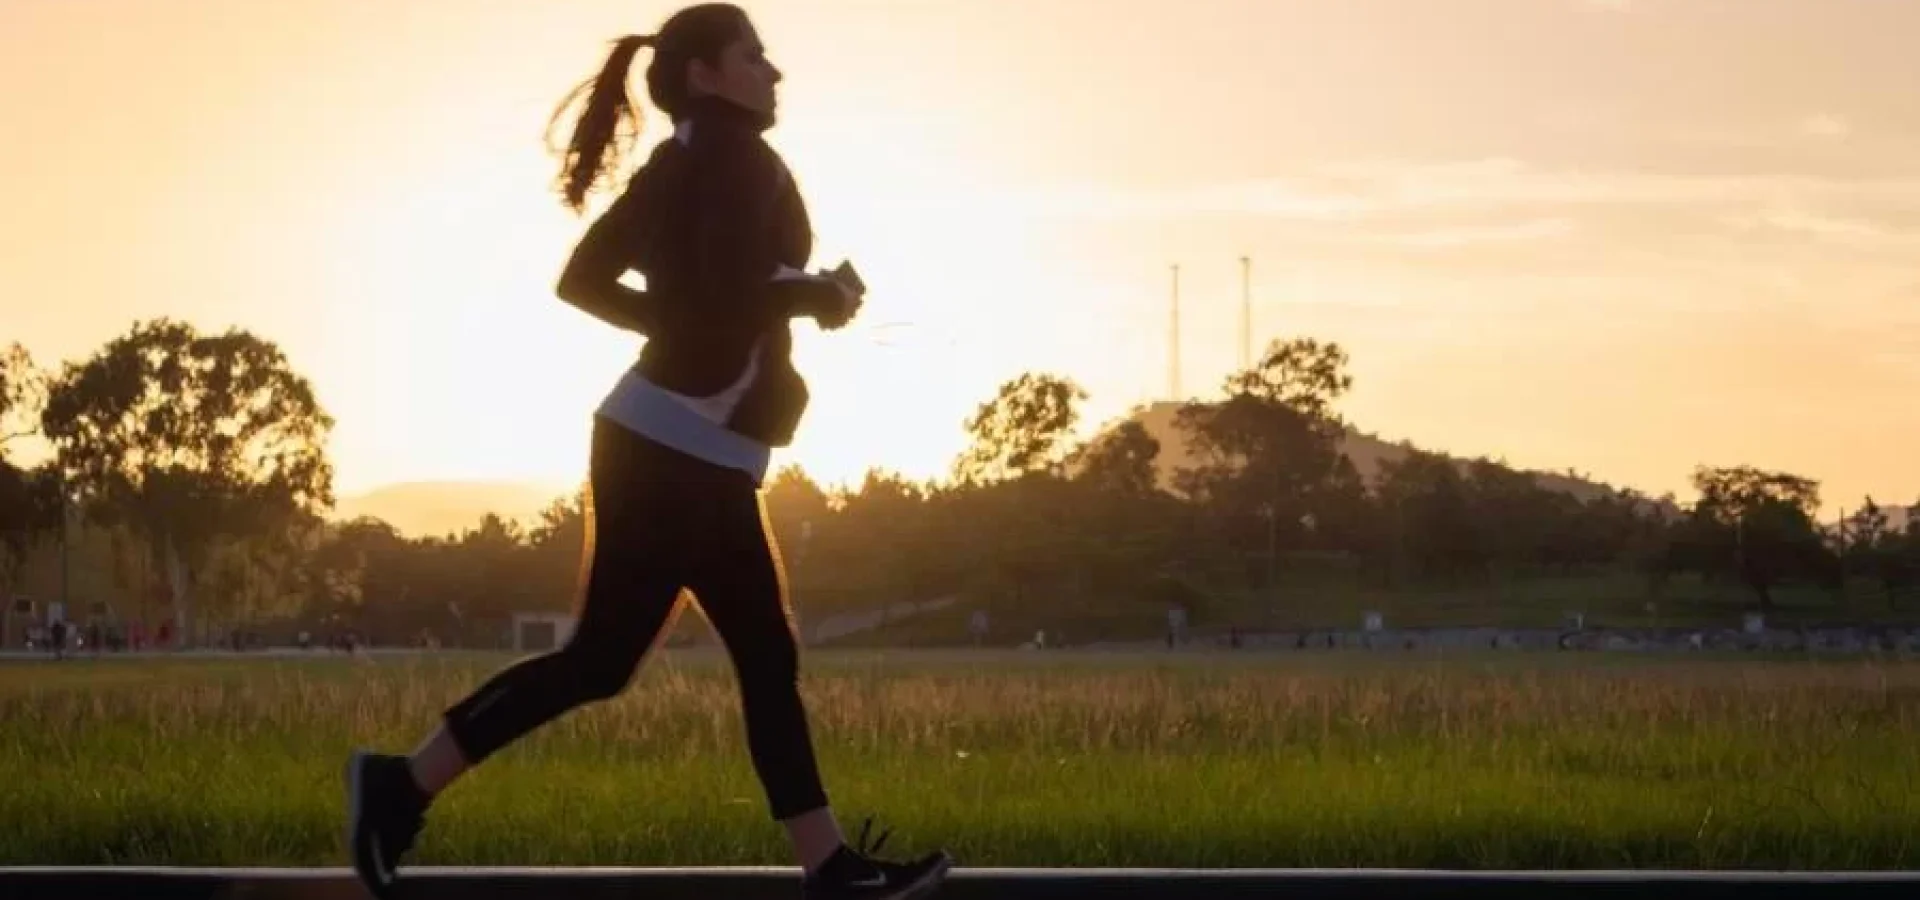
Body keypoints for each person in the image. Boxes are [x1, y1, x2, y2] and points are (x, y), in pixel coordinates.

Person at [343, 6, 953, 900]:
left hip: (674, 443)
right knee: (711, 654)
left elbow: (589, 280)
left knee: (655, 658)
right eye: (755, 57)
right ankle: (827, 866)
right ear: (707, 73)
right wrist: (811, 292)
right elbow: (730, 283)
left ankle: (402, 785)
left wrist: (690, 325)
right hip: (675, 451)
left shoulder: (683, 161)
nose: (774, 73)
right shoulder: (732, 160)